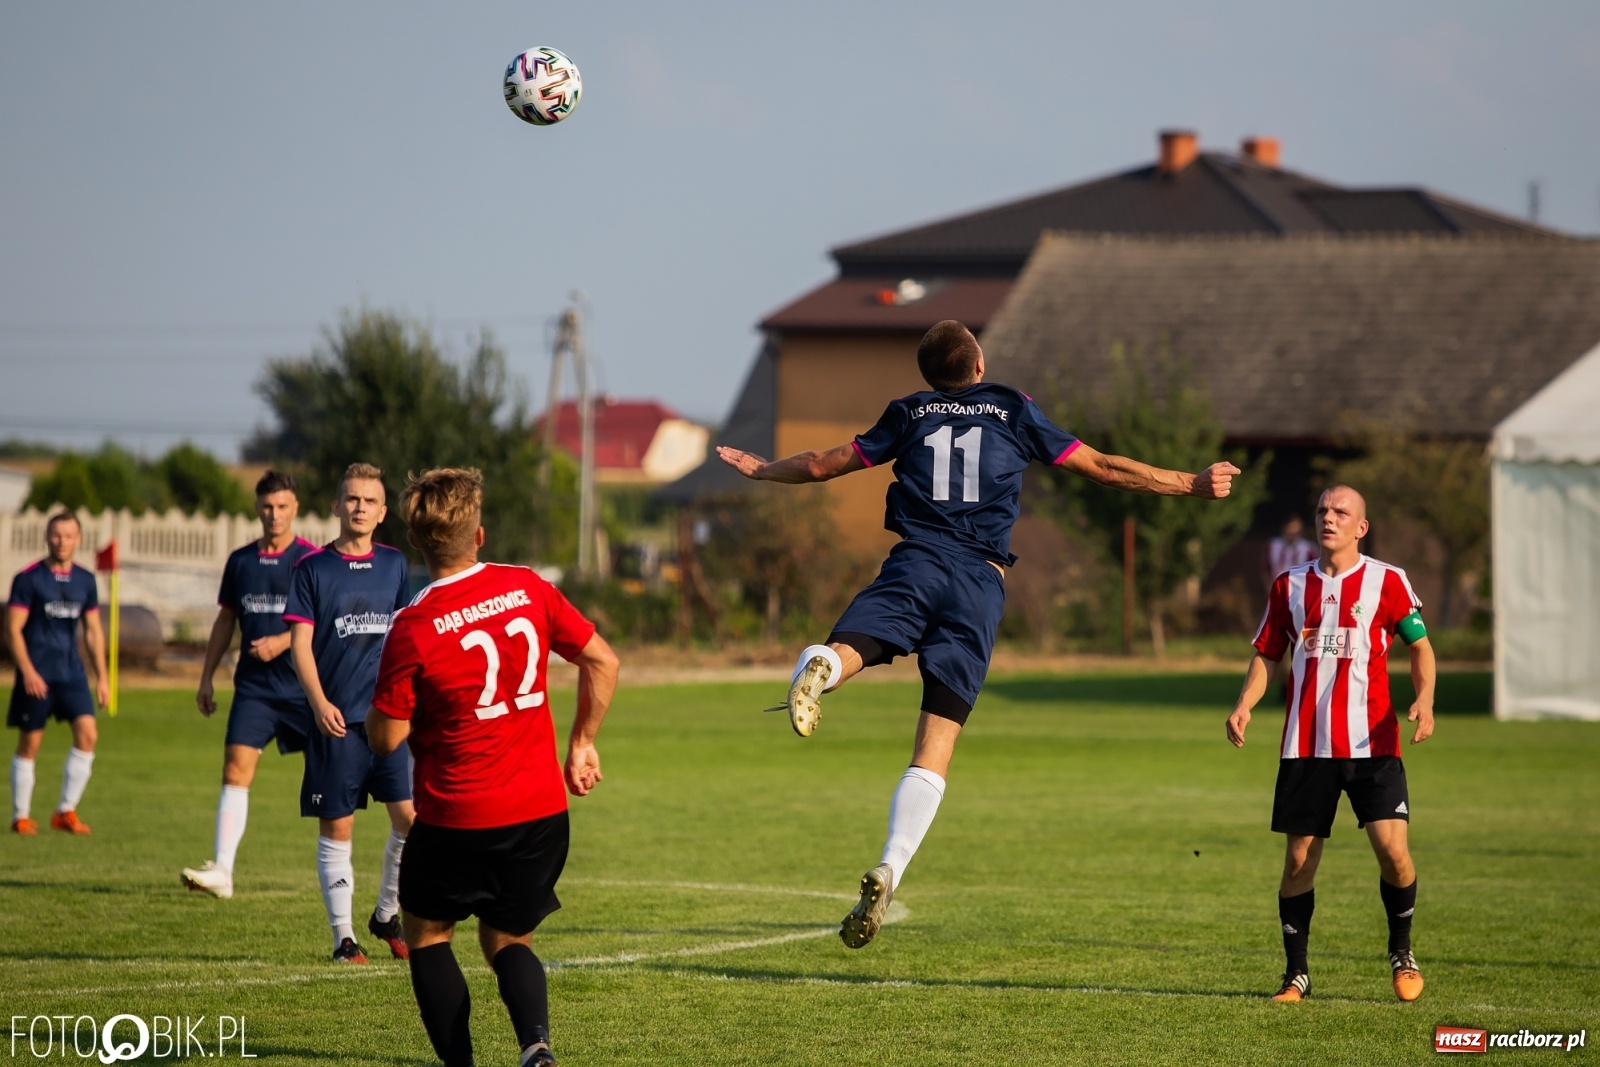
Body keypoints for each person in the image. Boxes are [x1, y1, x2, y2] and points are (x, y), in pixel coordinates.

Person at [717, 319, 1239, 948]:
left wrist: (763, 470)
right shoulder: (1012, 408)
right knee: (936, 738)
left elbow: (825, 464)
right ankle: (891, 864)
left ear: (928, 374)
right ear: (979, 363)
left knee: (859, 644)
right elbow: (1099, 467)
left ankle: (825, 663)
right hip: (977, 583)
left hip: (914, 561)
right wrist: (1189, 482)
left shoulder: (907, 412)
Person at [368, 468, 619, 1067]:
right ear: (479, 535)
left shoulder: (414, 625)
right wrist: (582, 742)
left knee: (427, 934)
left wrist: (383, 712)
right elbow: (602, 661)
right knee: (508, 937)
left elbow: (385, 740)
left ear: (417, 542)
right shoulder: (528, 587)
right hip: (539, 814)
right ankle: (536, 1048)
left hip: (456, 815)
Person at [1225, 484, 1435, 1004]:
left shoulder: (1387, 581)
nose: (1329, 517)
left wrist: (1425, 699)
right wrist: (1245, 702)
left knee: (1394, 853)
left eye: (1342, 511)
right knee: (1298, 862)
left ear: (1361, 526)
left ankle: (1402, 952)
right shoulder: (1289, 586)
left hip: (1375, 744)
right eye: (1322, 509)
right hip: (1305, 745)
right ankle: (1296, 975)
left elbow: (1421, 648)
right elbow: (1267, 654)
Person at [284, 462, 415, 963]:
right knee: (337, 827)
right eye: (352, 499)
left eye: (370, 501)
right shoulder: (312, 569)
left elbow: (405, 635)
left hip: (389, 718)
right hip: (336, 720)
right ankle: (343, 940)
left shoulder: (395, 564)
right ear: (337, 506)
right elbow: (299, 645)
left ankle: (386, 914)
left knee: (409, 820)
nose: (360, 508)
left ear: (382, 513)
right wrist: (318, 703)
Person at [182, 470, 317, 898]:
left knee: (339, 776)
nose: (274, 514)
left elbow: (326, 623)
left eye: (282, 506)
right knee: (235, 771)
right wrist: (206, 677)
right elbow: (226, 621)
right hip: (255, 691)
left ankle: (353, 870)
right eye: (267, 506)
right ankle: (223, 872)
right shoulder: (240, 562)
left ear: (295, 508)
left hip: (305, 690)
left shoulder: (311, 561)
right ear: (257, 508)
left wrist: (282, 641)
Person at [6, 512, 109, 835]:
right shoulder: (28, 579)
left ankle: (65, 810)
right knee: (30, 744)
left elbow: (92, 631)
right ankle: (20, 815)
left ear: (78, 540)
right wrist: (27, 672)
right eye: (56, 535)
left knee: (88, 735)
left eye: (68, 536)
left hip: (72, 674)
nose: (61, 542)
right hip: (36, 675)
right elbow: (12, 630)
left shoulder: (85, 580)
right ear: (47, 537)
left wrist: (102, 677)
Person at [1263, 515, 1317, 589]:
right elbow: (1265, 569)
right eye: (1291, 529)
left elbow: (1314, 572)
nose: (1293, 533)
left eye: (1296, 531)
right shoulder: (1273, 545)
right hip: (1277, 589)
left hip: (1299, 590)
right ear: (1284, 528)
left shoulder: (1308, 548)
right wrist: (1269, 588)